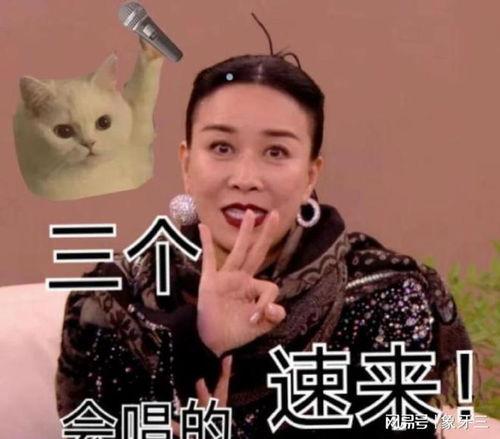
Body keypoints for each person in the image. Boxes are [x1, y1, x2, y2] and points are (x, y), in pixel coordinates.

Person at [56, 46, 473, 438]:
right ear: (186, 163)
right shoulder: (109, 300)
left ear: (310, 175)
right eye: (221, 147)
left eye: (275, 152)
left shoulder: (384, 293)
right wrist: (198, 343)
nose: (245, 178)